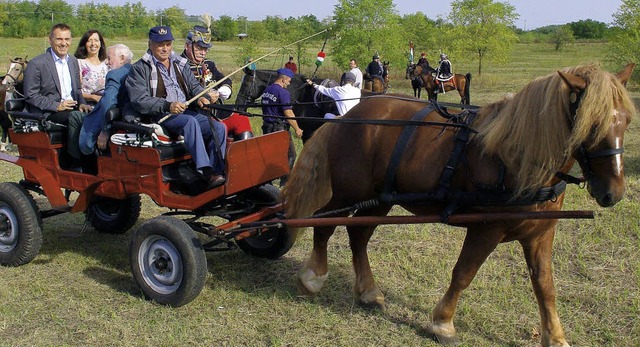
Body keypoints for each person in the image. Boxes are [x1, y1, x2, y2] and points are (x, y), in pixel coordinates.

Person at [125, 26, 227, 189]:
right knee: (189, 123)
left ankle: (217, 171)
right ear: (150, 44)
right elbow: (139, 100)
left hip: (185, 111)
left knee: (218, 127)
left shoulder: (179, 63)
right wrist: (167, 105)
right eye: (160, 44)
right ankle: (205, 171)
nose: (165, 48)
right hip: (160, 115)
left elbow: (194, 86)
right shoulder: (140, 68)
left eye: (168, 44)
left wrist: (202, 96)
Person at [181, 25, 253, 140]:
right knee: (219, 128)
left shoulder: (209, 64)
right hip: (196, 114)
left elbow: (225, 79)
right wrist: (206, 97)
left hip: (217, 111)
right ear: (187, 46)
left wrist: (225, 89)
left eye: (205, 49)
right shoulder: (179, 66)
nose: (203, 53)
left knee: (242, 120)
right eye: (199, 48)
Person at [68, 44, 133, 159]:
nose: (107, 62)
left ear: (122, 58)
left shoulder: (114, 74)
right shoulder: (134, 71)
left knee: (74, 116)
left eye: (109, 58)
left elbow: (108, 102)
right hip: (124, 117)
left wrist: (105, 131)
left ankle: (76, 161)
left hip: (108, 121)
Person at [23, 23, 91, 125]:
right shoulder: (37, 64)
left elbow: (77, 90)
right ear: (50, 40)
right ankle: (74, 142)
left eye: (67, 39)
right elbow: (31, 95)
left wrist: (82, 103)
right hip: (48, 112)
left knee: (99, 116)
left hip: (73, 108)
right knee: (79, 118)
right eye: (59, 39)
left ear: (71, 40)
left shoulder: (73, 61)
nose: (63, 43)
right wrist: (56, 105)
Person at [260, 68, 303, 185]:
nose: (288, 84)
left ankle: (266, 183)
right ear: (283, 79)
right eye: (288, 81)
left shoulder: (266, 90)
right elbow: (288, 113)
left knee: (270, 158)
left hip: (266, 127)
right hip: (279, 129)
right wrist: (297, 129)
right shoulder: (283, 93)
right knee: (290, 156)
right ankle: (284, 185)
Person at [74, 29, 108, 105]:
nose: (93, 44)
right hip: (86, 105)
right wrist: (93, 97)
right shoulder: (79, 63)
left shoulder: (106, 64)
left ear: (100, 43)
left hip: (105, 104)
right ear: (84, 44)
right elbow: (76, 90)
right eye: (89, 41)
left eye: (96, 40)